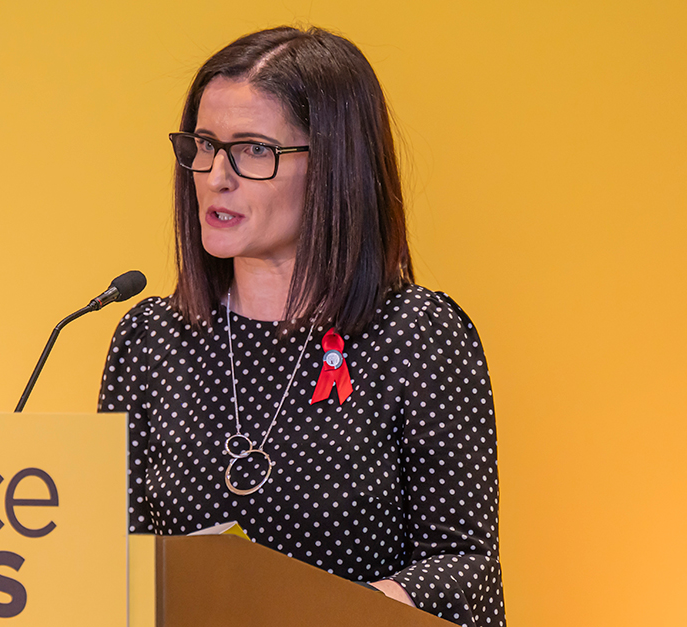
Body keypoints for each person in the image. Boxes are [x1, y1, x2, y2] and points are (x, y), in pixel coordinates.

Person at [98, 26, 504, 626]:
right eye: (204, 145)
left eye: (253, 149)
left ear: (335, 166)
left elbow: (466, 565)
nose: (216, 176)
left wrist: (329, 611)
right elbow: (112, 563)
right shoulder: (148, 339)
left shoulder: (418, 334)